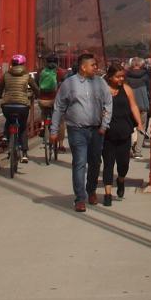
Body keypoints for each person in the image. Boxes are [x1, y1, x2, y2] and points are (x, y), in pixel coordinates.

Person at [50, 52, 112, 211]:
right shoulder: (69, 84)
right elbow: (59, 107)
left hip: (96, 130)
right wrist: (54, 130)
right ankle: (80, 198)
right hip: (76, 130)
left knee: (95, 162)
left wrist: (104, 125)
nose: (96, 67)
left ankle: (91, 190)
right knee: (79, 162)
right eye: (93, 65)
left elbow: (108, 104)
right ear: (83, 67)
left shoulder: (101, 83)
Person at [99, 61, 143, 204]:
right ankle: (107, 194)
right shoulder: (102, 90)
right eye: (118, 77)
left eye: (122, 76)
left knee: (123, 164)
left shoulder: (127, 89)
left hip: (124, 131)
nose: (121, 79)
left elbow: (134, 106)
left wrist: (140, 124)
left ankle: (121, 179)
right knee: (108, 164)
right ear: (110, 77)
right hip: (107, 133)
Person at [0, 53, 36, 163]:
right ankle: (24, 153)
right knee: (22, 127)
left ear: (12, 64)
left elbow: (0, 89)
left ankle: (5, 137)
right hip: (22, 105)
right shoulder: (27, 75)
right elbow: (35, 88)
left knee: (9, 120)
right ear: (23, 64)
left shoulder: (6, 75)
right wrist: (37, 94)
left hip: (7, 105)